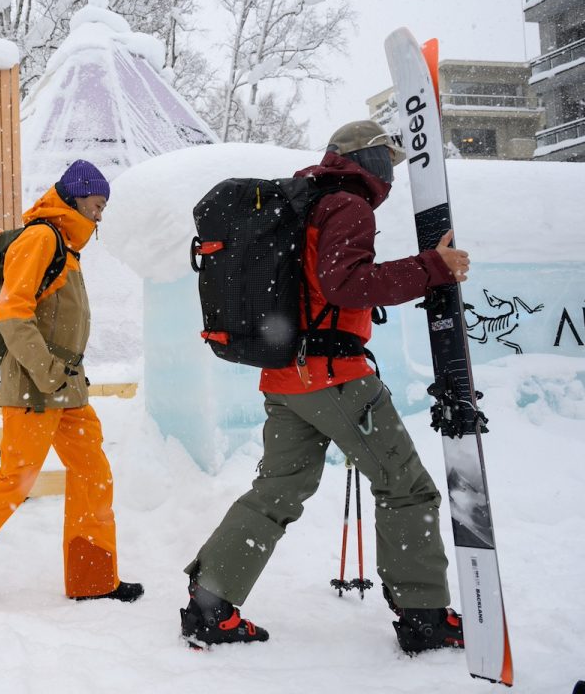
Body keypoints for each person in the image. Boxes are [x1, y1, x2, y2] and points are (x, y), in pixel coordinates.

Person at [178, 120, 471, 654]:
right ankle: (425, 615)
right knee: (406, 487)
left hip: (288, 378)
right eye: (389, 159)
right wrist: (434, 267)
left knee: (276, 493)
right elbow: (347, 285)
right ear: (369, 160)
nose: (392, 173)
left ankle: (210, 607)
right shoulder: (347, 204)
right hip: (335, 378)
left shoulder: (305, 201)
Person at [0, 159, 143, 610]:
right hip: (36, 386)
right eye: (97, 205)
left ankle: (93, 578)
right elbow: (12, 312)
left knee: (92, 474)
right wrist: (46, 372)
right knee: (14, 480)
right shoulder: (42, 237)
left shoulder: (68, 246)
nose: (100, 215)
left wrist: (65, 375)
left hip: (67, 387)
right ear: (78, 199)